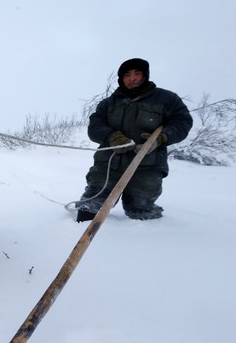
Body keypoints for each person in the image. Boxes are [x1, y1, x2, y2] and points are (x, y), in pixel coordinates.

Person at [75, 58, 193, 222]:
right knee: (88, 211)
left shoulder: (166, 99)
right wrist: (112, 137)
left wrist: (161, 138)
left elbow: (182, 122)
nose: (132, 78)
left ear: (145, 75)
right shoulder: (108, 103)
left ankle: (151, 227)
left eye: (137, 73)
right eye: (127, 75)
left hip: (147, 166)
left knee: (139, 212)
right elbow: (95, 127)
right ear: (121, 79)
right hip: (108, 164)